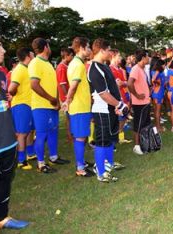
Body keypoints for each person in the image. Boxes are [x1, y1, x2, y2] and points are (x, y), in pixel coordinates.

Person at [0, 29, 29, 232]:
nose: (3, 50)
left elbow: (1, 103)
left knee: (5, 182)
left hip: (8, 142)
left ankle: (1, 218)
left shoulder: (0, 75)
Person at [88, 38, 128, 182]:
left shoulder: (104, 66)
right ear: (102, 50)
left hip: (111, 109)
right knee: (102, 141)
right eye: (109, 50)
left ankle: (109, 164)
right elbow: (103, 94)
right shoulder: (94, 68)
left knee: (110, 139)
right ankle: (100, 171)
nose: (110, 53)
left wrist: (117, 104)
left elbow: (112, 88)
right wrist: (119, 105)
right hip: (101, 110)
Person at [29, 38, 70, 173]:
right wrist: (51, 99)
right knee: (41, 134)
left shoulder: (48, 64)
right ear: (46, 47)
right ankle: (41, 164)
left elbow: (53, 85)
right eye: (49, 45)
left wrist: (56, 101)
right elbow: (34, 84)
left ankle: (53, 157)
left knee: (53, 130)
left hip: (51, 105)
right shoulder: (35, 63)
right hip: (41, 106)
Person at [62, 37, 94, 177]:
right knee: (80, 138)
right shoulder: (77, 64)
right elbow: (73, 86)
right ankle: (80, 168)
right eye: (88, 47)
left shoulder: (78, 63)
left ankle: (82, 162)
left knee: (82, 137)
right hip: (79, 107)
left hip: (82, 106)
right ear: (81, 48)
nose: (90, 50)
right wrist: (67, 100)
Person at [8, 48, 35, 170]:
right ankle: (21, 160)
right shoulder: (19, 69)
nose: (34, 56)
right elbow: (12, 87)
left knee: (29, 131)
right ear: (28, 56)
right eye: (33, 54)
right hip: (21, 105)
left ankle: (30, 154)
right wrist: (11, 95)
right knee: (22, 133)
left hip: (29, 105)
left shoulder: (27, 68)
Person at [127, 50, 151, 154]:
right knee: (138, 124)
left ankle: (144, 143)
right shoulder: (135, 69)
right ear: (143, 58)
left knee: (145, 124)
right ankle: (136, 146)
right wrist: (136, 95)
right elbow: (129, 83)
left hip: (146, 102)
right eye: (147, 56)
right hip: (139, 103)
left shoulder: (143, 69)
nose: (149, 58)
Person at [109, 49, 132, 144]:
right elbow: (116, 85)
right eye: (118, 56)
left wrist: (123, 83)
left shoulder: (120, 69)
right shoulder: (110, 69)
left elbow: (125, 83)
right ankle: (113, 140)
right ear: (113, 56)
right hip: (117, 98)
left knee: (123, 118)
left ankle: (120, 137)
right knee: (116, 119)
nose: (120, 58)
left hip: (123, 95)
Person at [56, 47, 74, 143]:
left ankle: (71, 135)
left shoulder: (66, 66)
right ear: (66, 56)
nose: (72, 57)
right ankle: (69, 137)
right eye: (71, 56)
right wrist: (68, 97)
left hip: (68, 96)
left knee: (70, 117)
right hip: (66, 97)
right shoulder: (61, 67)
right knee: (69, 118)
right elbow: (62, 84)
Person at [150, 57, 167, 132]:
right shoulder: (156, 71)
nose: (164, 66)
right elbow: (153, 80)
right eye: (164, 65)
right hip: (157, 93)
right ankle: (158, 127)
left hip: (160, 92)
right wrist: (158, 83)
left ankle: (157, 125)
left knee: (157, 110)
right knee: (157, 110)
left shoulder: (159, 71)